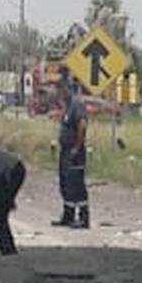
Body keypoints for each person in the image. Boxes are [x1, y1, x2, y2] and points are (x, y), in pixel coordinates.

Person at [52, 73, 89, 229]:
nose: (57, 93)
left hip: (75, 152)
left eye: (59, 89)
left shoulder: (76, 104)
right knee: (65, 184)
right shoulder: (66, 106)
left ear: (66, 89)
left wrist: (77, 147)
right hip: (65, 151)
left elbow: (82, 125)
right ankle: (68, 215)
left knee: (76, 185)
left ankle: (82, 217)